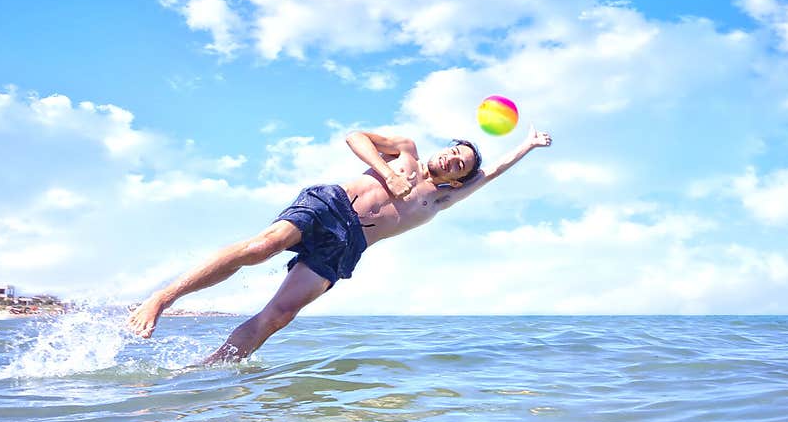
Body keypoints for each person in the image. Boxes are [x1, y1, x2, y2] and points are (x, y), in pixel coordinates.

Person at [127, 124, 552, 363]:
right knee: (263, 247)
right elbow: (355, 136)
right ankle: (163, 298)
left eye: (459, 163)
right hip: (330, 204)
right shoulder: (405, 151)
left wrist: (527, 145)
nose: (450, 158)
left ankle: (208, 370)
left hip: (348, 246)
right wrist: (387, 174)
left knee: (280, 314)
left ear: (458, 179)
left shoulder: (439, 199)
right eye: (452, 150)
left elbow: (492, 171)